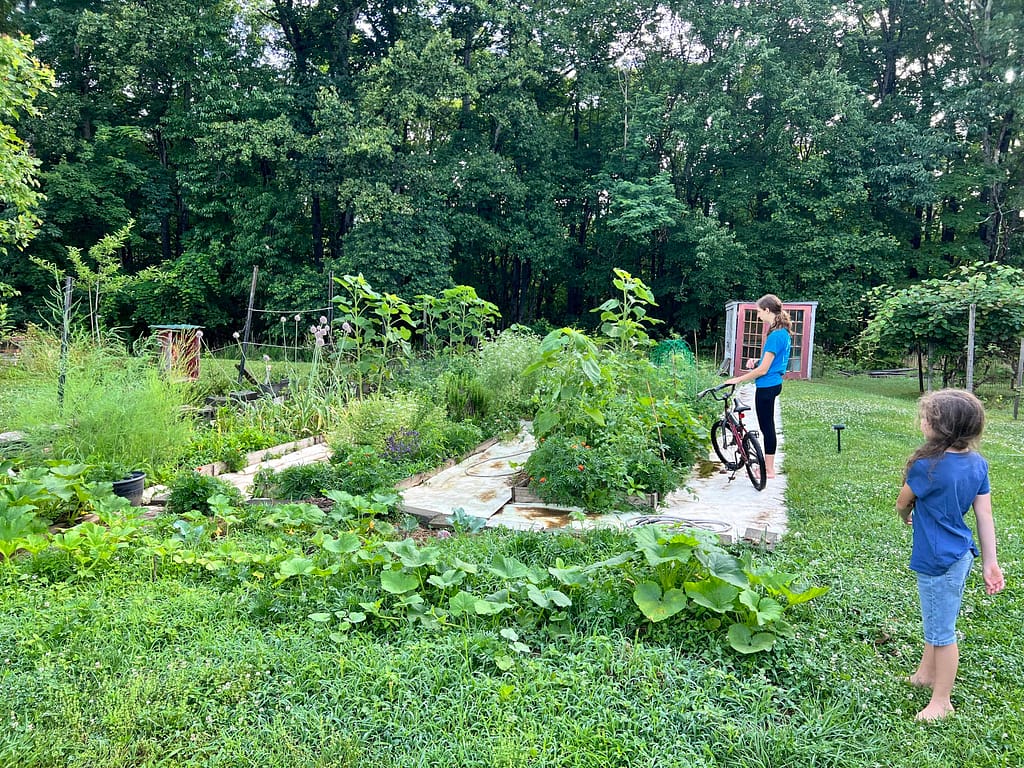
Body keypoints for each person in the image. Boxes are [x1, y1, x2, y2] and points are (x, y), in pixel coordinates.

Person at [895, 389, 1005, 721]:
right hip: (961, 556)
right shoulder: (978, 464)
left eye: (927, 417)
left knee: (942, 632)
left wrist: (906, 517)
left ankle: (942, 701)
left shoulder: (927, 467)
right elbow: (984, 516)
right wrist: (991, 561)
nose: (923, 420)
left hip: (936, 559)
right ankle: (926, 674)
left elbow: (903, 503)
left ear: (942, 428)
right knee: (937, 618)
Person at [725, 294, 791, 479]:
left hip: (766, 386)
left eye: (759, 312)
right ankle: (769, 468)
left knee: (767, 428)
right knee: (767, 426)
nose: (758, 315)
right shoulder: (783, 332)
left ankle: (769, 470)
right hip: (774, 383)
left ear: (768, 310)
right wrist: (756, 361)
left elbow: (763, 371)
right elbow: (771, 362)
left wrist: (738, 379)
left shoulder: (775, 335)